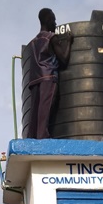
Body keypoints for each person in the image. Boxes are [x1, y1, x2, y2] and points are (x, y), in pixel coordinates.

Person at [27, 8, 73, 139]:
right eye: (54, 20)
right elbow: (63, 60)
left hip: (34, 80)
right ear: (48, 20)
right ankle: (43, 137)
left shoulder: (33, 42)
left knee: (34, 113)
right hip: (48, 76)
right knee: (45, 110)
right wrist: (69, 42)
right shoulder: (51, 38)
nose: (56, 24)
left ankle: (32, 138)